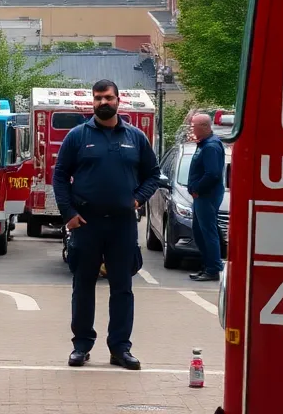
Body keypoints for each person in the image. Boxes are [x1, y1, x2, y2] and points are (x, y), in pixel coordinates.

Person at [52, 79, 160, 371]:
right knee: (83, 286)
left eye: (108, 97)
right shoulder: (77, 136)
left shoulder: (136, 137)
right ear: (92, 102)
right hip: (86, 224)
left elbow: (153, 175)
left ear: (118, 100)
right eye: (98, 98)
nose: (103, 102)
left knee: (122, 288)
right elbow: (60, 176)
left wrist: (137, 199)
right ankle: (81, 346)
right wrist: (68, 214)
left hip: (122, 225)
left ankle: (120, 349)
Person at [185, 113, 225, 283]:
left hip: (206, 195)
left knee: (207, 232)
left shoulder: (211, 147)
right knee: (199, 232)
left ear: (204, 126)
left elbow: (212, 173)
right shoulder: (204, 144)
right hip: (202, 195)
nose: (191, 129)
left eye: (193, 125)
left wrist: (197, 188)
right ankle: (207, 265)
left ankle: (213, 268)